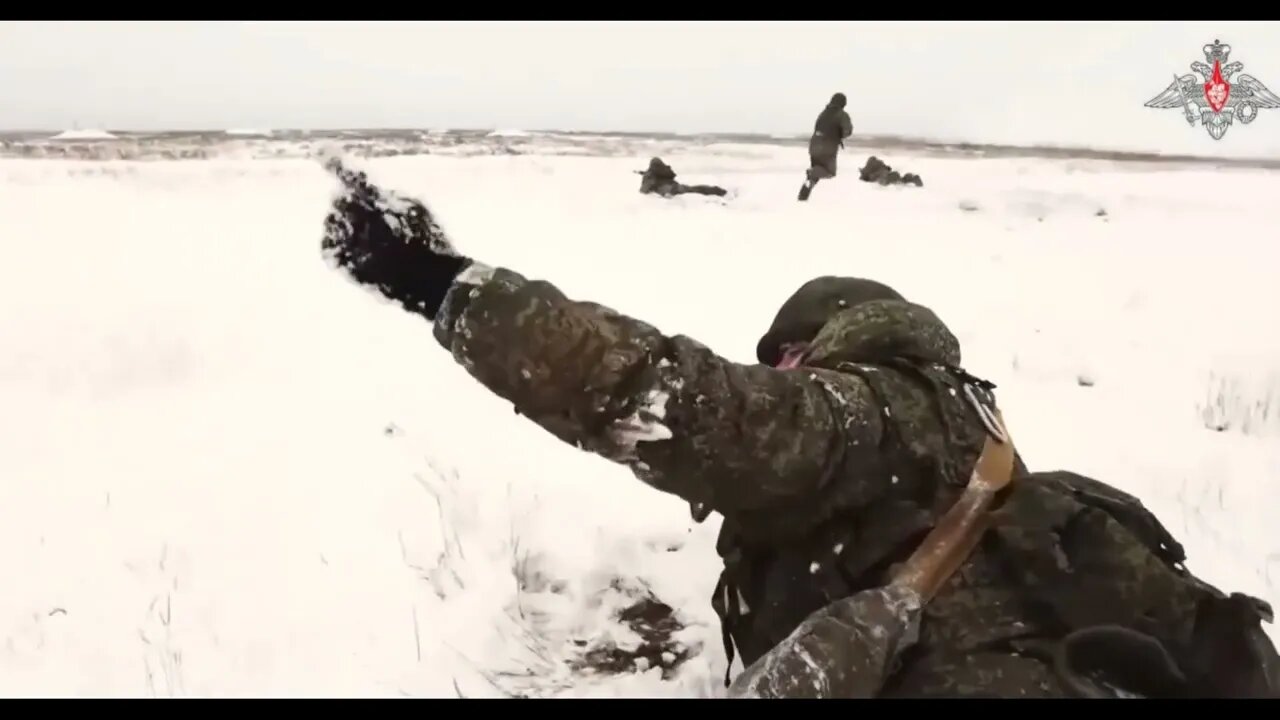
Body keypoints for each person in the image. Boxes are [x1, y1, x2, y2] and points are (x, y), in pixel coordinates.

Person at [319, 157, 1280, 698]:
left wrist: (440, 286)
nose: (779, 378)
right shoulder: (978, 447)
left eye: (784, 360)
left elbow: (668, 397)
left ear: (816, 346)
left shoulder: (868, 413)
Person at [798, 92, 853, 202]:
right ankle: (811, 174)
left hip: (814, 145)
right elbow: (847, 131)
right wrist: (839, 134)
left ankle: (802, 198)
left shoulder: (823, 113)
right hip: (827, 147)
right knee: (829, 172)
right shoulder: (842, 114)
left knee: (817, 173)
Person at [636, 157, 727, 198]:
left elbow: (643, 191)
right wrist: (642, 173)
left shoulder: (650, 175)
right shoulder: (657, 171)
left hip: (669, 190)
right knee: (694, 189)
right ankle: (716, 190)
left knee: (694, 190)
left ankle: (716, 191)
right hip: (674, 185)